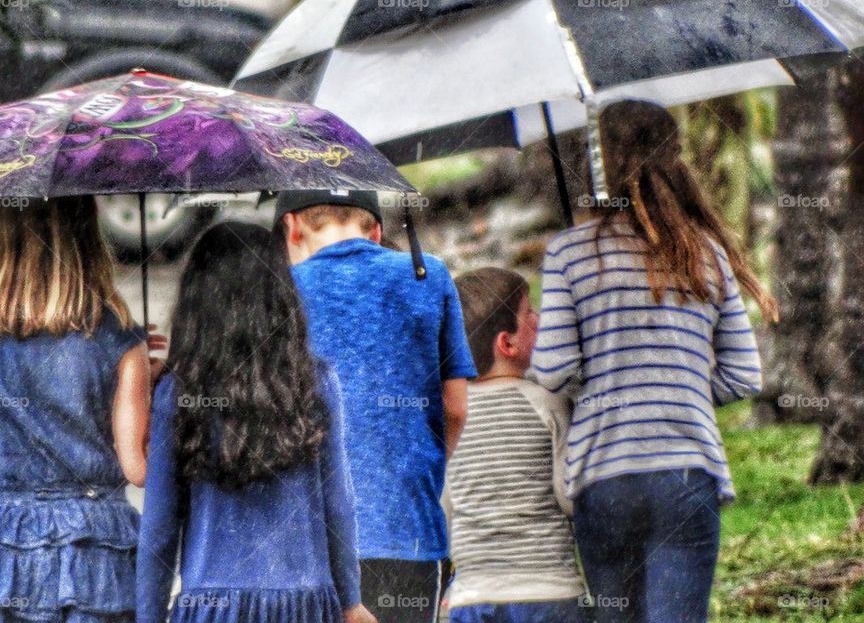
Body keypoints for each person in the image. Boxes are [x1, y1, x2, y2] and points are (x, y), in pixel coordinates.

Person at [530, 100, 779, 623]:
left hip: (603, 475)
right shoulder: (707, 253)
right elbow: (743, 374)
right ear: (677, 156)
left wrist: (607, 382)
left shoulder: (569, 254)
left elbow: (551, 370)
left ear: (604, 160)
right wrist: (676, 383)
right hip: (688, 470)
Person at [136, 222, 375, 623]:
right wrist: (350, 600)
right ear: (281, 298)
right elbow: (339, 504)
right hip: (302, 604)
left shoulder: (176, 394)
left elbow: (159, 526)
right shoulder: (315, 384)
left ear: (196, 303)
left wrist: (148, 615)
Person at [275, 190, 477, 623]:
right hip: (408, 533)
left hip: (308, 546)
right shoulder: (429, 276)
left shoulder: (279, 290)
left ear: (292, 227)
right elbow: (455, 407)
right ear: (377, 230)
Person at [0, 196, 150, 623]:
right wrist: (148, 376)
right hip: (95, 550)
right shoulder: (117, 335)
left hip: (3, 546)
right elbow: (138, 468)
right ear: (88, 237)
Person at [448, 267, 589, 623]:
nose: (540, 321)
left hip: (473, 597)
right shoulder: (547, 401)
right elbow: (569, 498)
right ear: (507, 344)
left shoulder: (451, 411)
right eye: (530, 314)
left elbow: (444, 508)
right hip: (548, 593)